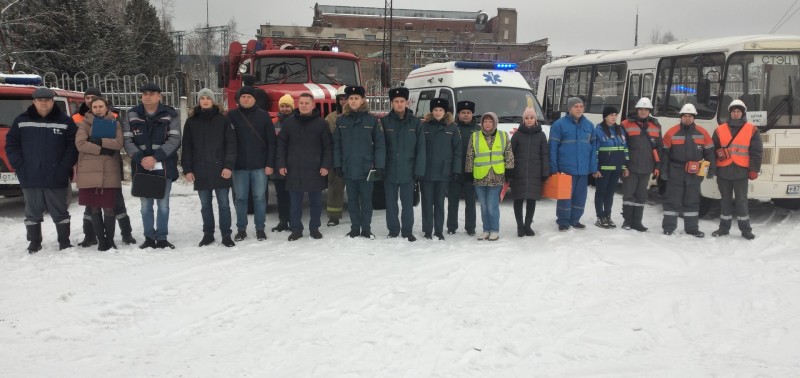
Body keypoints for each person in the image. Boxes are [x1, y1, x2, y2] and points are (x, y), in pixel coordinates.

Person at [5, 87, 78, 253]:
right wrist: (20, 166)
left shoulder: (65, 121)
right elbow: (11, 145)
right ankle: (34, 242)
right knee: (32, 212)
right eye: (40, 100)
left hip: (56, 175)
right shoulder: (21, 120)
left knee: (60, 211)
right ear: (34, 101)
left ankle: (64, 242)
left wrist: (63, 168)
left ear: (52, 101)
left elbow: (72, 147)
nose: (43, 103)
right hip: (30, 175)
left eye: (47, 100)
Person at [73, 87, 137, 247]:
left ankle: (113, 239)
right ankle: (99, 240)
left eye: (100, 106)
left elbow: (118, 143)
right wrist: (102, 149)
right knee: (93, 209)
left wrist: (97, 141)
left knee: (110, 207)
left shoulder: (114, 122)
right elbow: (80, 144)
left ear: (106, 107)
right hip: (89, 172)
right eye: (94, 106)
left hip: (109, 171)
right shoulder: (84, 123)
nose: (97, 109)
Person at [123, 83, 181, 249]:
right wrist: (141, 158)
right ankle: (149, 237)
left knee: (163, 205)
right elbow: (127, 140)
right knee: (145, 205)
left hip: (164, 166)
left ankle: (161, 237)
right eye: (144, 94)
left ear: (159, 96)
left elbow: (175, 139)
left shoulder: (170, 114)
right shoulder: (132, 114)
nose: (147, 96)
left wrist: (155, 157)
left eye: (151, 93)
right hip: (141, 167)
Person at [181, 88, 237, 247]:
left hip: (221, 169)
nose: (205, 101)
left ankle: (226, 235)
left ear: (213, 101)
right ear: (198, 101)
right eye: (202, 98)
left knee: (224, 205)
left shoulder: (223, 120)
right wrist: (188, 169)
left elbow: (231, 145)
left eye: (208, 98)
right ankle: (208, 234)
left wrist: (228, 166)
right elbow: (187, 147)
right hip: (200, 169)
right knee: (205, 205)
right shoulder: (191, 121)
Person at [277, 93, 333, 241]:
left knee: (315, 202)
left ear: (313, 105)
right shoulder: (289, 123)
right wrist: (281, 164)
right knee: (295, 203)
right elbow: (281, 146)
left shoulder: (322, 124)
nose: (303, 105)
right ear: (298, 104)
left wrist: (326, 165)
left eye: (307, 103)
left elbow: (328, 147)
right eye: (301, 103)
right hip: (294, 169)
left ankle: (314, 228)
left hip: (316, 170)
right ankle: (296, 229)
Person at [333, 85, 386, 239]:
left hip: (366, 168)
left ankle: (366, 229)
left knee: (367, 201)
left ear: (363, 100)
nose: (354, 101)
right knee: (352, 201)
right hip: (348, 167)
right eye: (351, 98)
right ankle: (355, 228)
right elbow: (337, 145)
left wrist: (379, 166)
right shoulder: (341, 120)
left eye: (356, 98)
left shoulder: (372, 120)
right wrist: (337, 164)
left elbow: (380, 145)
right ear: (347, 101)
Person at [228, 86, 277, 242]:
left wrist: (270, 163)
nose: (246, 99)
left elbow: (271, 142)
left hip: (260, 166)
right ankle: (241, 229)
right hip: (239, 166)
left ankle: (260, 228)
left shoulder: (263, 116)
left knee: (260, 198)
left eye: (249, 97)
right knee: (241, 199)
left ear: (254, 99)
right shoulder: (232, 116)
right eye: (243, 97)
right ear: (239, 99)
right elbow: (227, 141)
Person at [660, 103, 715, 237]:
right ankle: (668, 227)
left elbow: (710, 153)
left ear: (694, 117)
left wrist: (711, 169)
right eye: (685, 116)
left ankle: (692, 229)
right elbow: (664, 155)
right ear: (681, 117)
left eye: (690, 116)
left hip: (694, 171)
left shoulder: (703, 133)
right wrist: (663, 172)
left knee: (692, 201)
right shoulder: (671, 132)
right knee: (672, 201)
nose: (687, 118)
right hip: (675, 170)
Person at [711, 99, 762, 240]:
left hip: (741, 171)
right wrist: (713, 168)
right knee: (725, 200)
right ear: (730, 113)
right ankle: (723, 228)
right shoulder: (719, 129)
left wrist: (754, 169)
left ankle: (746, 230)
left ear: (743, 113)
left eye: (738, 111)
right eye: (733, 111)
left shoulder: (752, 129)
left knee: (742, 201)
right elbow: (712, 150)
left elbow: (757, 152)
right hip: (723, 171)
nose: (736, 113)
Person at [381, 87, 426, 242]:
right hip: (390, 169)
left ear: (407, 102)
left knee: (408, 204)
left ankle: (407, 231)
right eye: (396, 101)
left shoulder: (416, 123)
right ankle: (393, 230)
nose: (399, 104)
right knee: (391, 203)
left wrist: (419, 170)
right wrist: (380, 167)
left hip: (409, 170)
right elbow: (381, 147)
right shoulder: (384, 122)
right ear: (392, 103)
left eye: (402, 101)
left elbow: (421, 149)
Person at [549, 97, 598, 231]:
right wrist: (553, 167)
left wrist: (593, 168)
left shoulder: (589, 125)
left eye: (581, 106)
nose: (579, 109)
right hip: (566, 169)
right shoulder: (559, 125)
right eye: (576, 106)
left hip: (583, 170)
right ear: (569, 108)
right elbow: (552, 148)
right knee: (565, 197)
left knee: (580, 197)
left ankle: (575, 219)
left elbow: (593, 149)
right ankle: (563, 221)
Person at [465, 112, 513, 240]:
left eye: (490, 121)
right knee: (483, 206)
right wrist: (468, 172)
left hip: (496, 176)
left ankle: (494, 230)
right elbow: (470, 155)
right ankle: (486, 230)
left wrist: (509, 171)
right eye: (485, 121)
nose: (487, 124)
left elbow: (508, 154)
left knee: (492, 205)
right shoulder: (474, 136)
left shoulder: (503, 136)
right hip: (480, 176)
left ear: (495, 123)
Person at [420, 98, 461, 240]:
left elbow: (457, 151)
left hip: (444, 172)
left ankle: (438, 230)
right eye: (435, 110)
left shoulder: (452, 128)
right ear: (432, 111)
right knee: (426, 202)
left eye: (440, 110)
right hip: (426, 172)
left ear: (445, 112)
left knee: (439, 202)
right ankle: (427, 230)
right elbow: (419, 149)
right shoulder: (424, 127)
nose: (437, 112)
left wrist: (456, 170)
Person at [620, 97, 662, 232]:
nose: (643, 112)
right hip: (630, 166)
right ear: (637, 110)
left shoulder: (656, 126)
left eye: (646, 109)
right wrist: (623, 165)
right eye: (641, 109)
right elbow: (622, 146)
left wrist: (657, 166)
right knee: (628, 195)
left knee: (641, 195)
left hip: (646, 166)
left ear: (649, 111)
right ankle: (627, 221)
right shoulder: (625, 124)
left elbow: (659, 148)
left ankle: (637, 222)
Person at [509, 107, 548, 237]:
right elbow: (510, 154)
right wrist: (510, 171)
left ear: (535, 119)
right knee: (518, 199)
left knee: (531, 200)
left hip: (535, 173)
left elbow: (544, 155)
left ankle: (527, 225)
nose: (529, 120)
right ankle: (520, 226)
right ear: (523, 119)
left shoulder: (541, 135)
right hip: (519, 173)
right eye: (527, 118)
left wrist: (545, 172)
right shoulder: (517, 134)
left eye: (531, 118)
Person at [446, 100, 480, 236]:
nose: (466, 115)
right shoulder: (452, 128)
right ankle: (451, 226)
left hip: (471, 172)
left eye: (468, 113)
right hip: (455, 171)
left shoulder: (478, 130)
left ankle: (470, 227)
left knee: (471, 202)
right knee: (452, 201)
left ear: (472, 114)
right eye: (463, 113)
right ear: (458, 114)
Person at [592, 106, 629, 229]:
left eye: (615, 115)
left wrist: (624, 166)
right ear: (605, 117)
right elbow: (594, 151)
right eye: (611, 115)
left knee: (610, 194)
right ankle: (600, 216)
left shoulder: (620, 130)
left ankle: (607, 215)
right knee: (601, 193)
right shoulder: (599, 131)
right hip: (603, 169)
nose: (614, 117)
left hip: (616, 168)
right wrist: (595, 168)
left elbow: (625, 149)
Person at [269, 94, 293, 232]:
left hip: (293, 165)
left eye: (287, 106)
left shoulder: (297, 122)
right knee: (281, 195)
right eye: (282, 106)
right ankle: (283, 221)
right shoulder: (273, 123)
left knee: (294, 196)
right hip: (278, 165)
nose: (284, 109)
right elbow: (271, 145)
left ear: (292, 107)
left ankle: (293, 220)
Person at [324, 86, 347, 227]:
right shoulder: (330, 118)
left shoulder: (361, 117)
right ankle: (333, 216)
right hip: (336, 158)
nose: (344, 102)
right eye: (341, 99)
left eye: (346, 98)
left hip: (354, 158)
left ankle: (360, 215)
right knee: (335, 187)